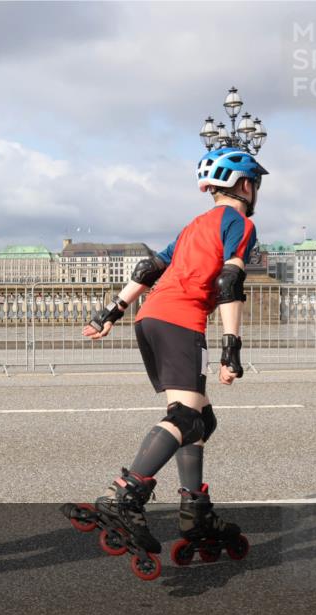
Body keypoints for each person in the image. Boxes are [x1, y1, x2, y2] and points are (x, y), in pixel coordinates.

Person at [75, 146, 266, 569]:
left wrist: (111, 313)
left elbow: (149, 268)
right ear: (245, 185)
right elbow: (229, 281)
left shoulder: (194, 225)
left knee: (201, 420)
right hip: (181, 321)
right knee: (185, 418)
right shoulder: (240, 223)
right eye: (255, 184)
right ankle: (126, 494)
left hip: (151, 318)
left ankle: (195, 510)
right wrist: (231, 348)